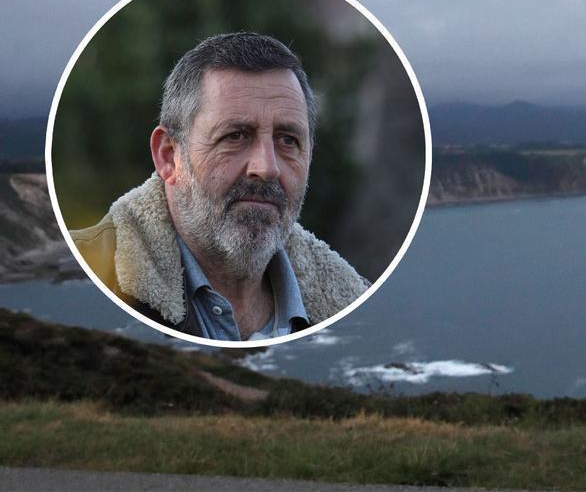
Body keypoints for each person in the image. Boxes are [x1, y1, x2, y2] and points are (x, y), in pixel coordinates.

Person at [70, 32, 368, 341]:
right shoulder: (81, 283)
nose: (266, 168)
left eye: (288, 140)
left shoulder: (354, 304)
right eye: (236, 136)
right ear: (169, 156)